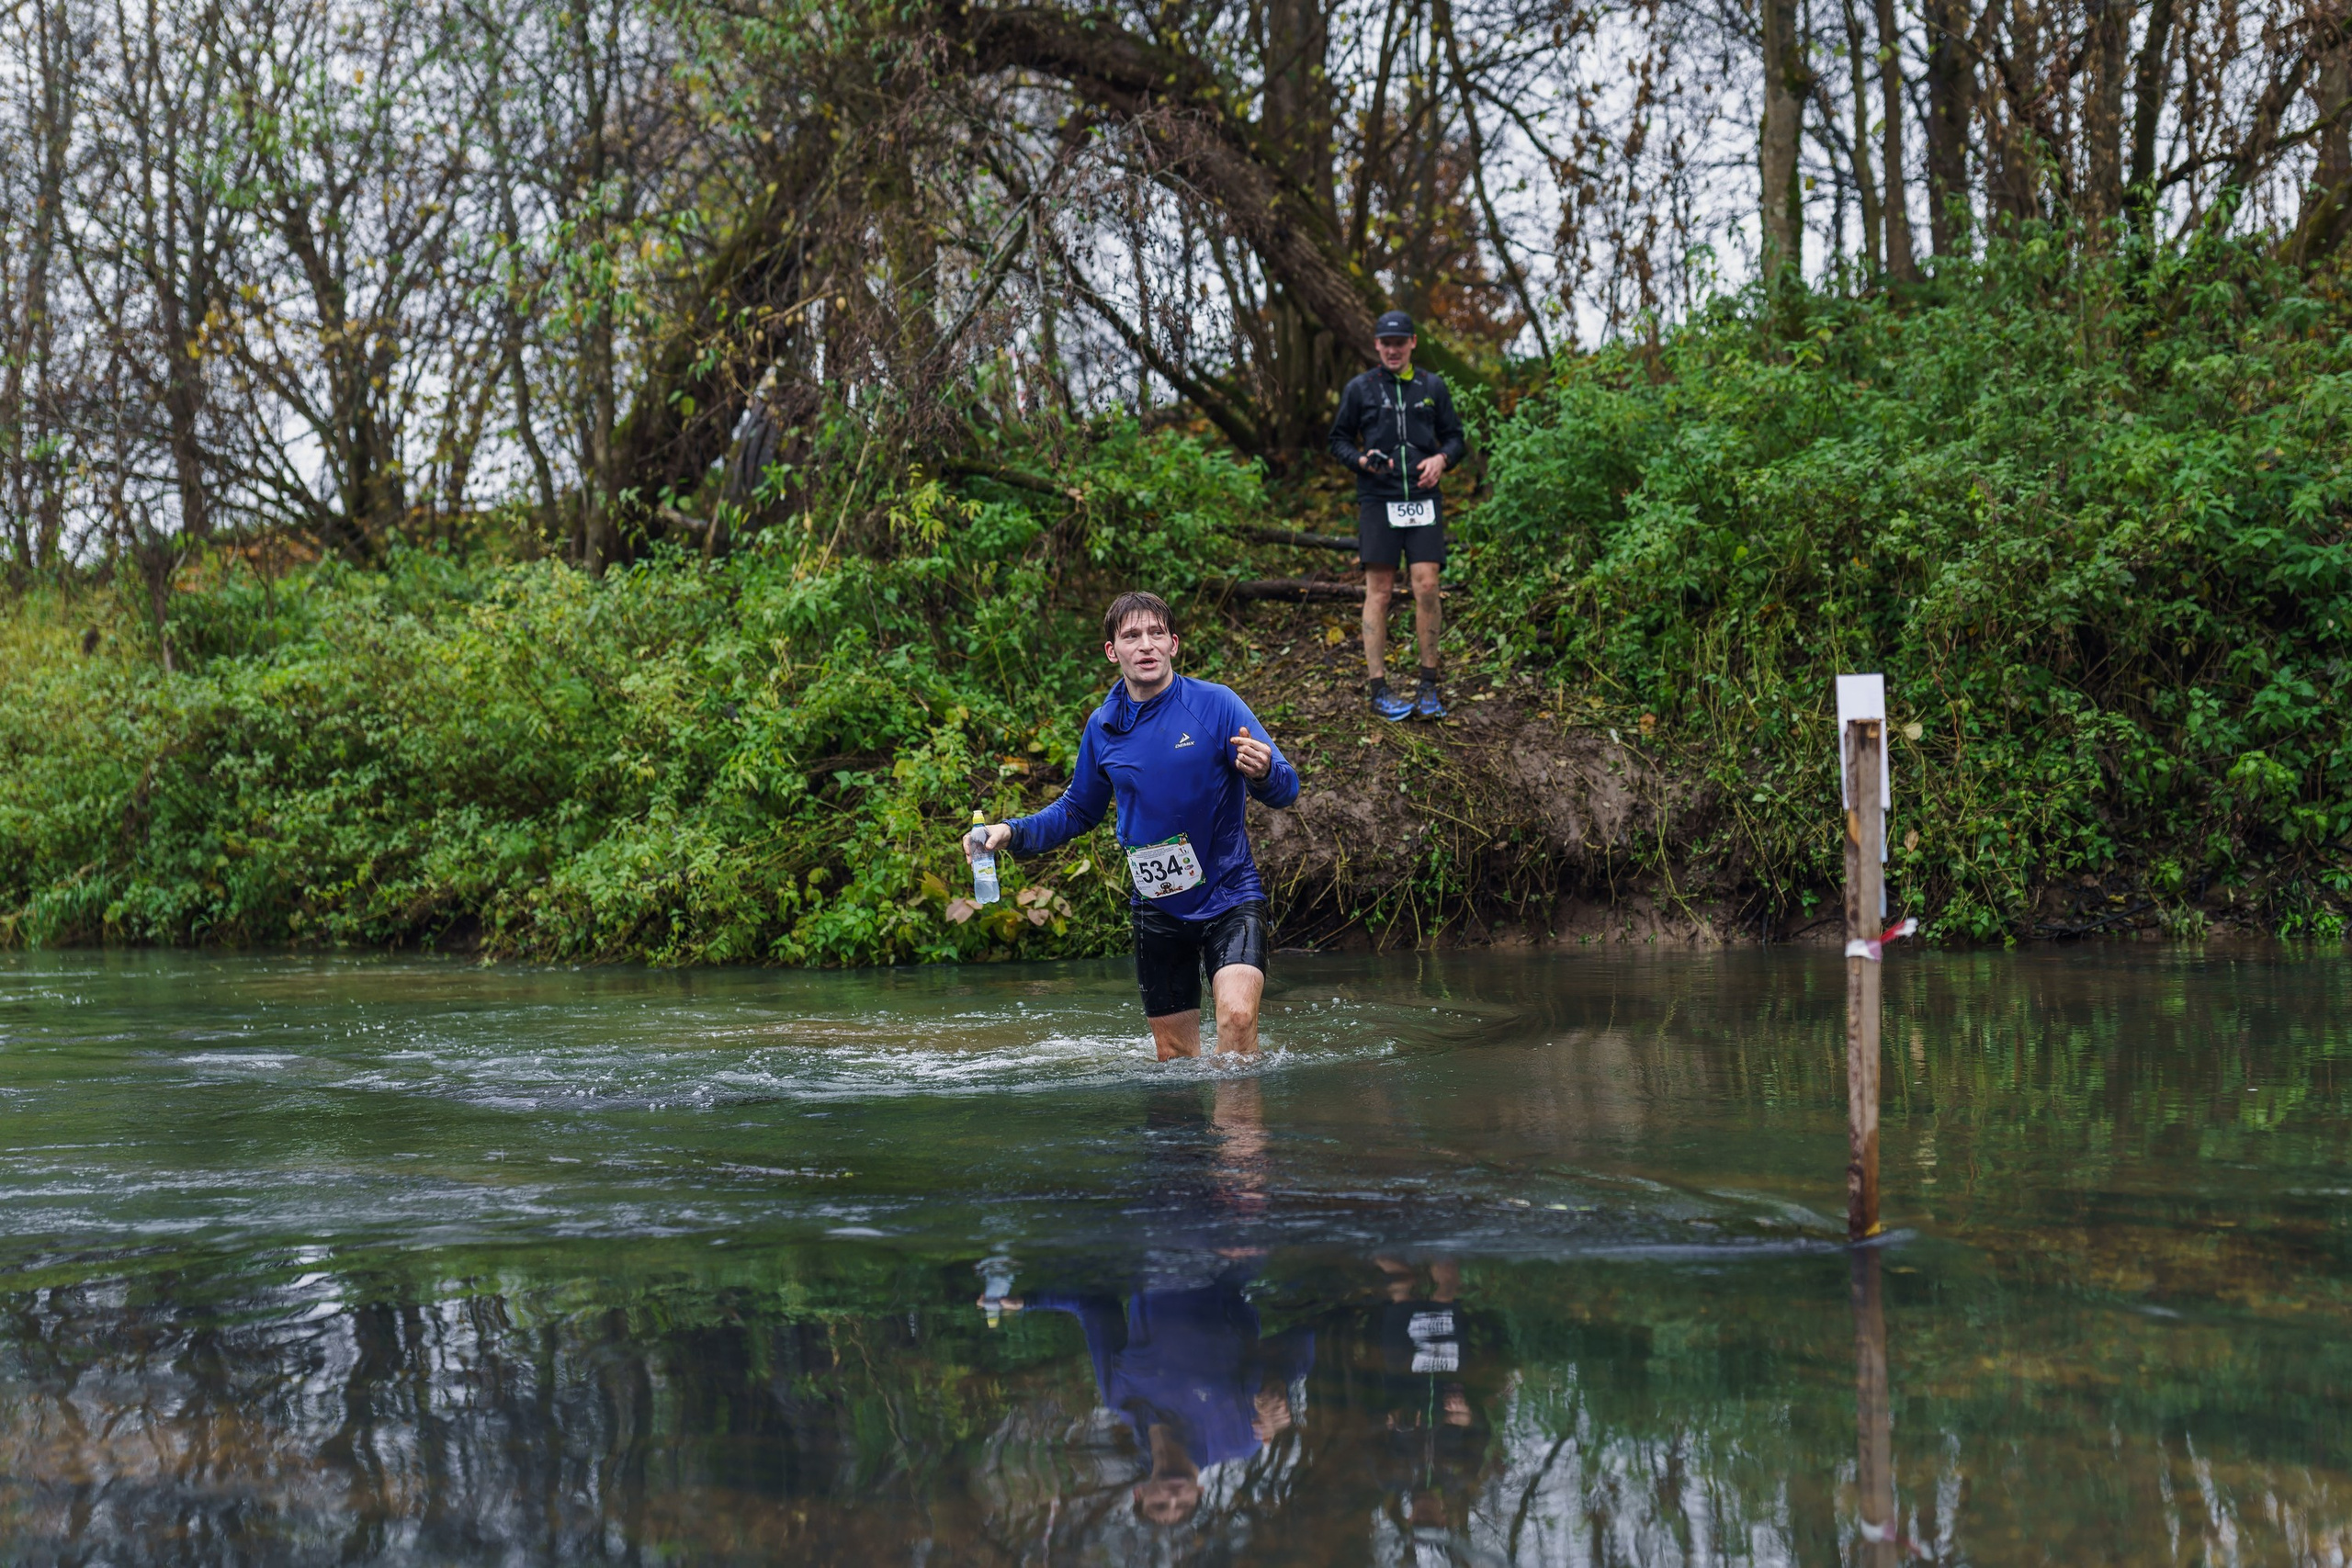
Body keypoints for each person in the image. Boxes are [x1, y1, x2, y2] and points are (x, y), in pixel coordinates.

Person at [962, 591, 1300, 1060]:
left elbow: (1286, 790)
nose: (1146, 645)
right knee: (1177, 1058)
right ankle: (1187, 1136)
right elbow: (1078, 811)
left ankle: (1238, 1132)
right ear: (1112, 650)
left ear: (1173, 644)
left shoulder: (1217, 705)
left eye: (1156, 634)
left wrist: (1264, 772)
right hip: (1158, 908)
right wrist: (1011, 832)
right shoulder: (1103, 727)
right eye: (1132, 636)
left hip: (1230, 895)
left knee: (1238, 1018)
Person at [1327, 310, 1469, 723]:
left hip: (1423, 499)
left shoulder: (1432, 386)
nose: (1393, 349)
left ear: (1412, 343)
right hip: (1378, 499)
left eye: (1400, 341)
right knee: (1381, 591)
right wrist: (1360, 461)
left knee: (1426, 585)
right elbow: (1337, 441)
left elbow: (1456, 437)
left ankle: (1428, 684)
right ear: (1376, 346)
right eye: (1386, 343)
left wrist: (1442, 460)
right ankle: (1378, 688)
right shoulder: (1360, 389)